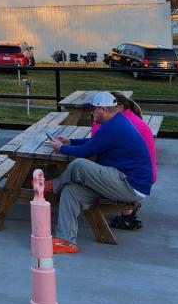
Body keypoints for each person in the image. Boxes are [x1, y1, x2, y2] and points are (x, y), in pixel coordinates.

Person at [49, 91, 153, 254]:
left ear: (103, 110)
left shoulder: (115, 126)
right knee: (71, 192)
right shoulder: (115, 122)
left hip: (129, 185)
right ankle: (66, 241)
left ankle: (52, 186)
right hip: (118, 178)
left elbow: (85, 152)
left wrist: (60, 148)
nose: (91, 113)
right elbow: (95, 142)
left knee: (79, 164)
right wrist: (70, 141)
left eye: (93, 109)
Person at [101, 91, 157, 230]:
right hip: (144, 172)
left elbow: (97, 141)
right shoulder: (129, 118)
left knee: (86, 170)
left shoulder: (123, 123)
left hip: (136, 177)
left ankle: (127, 211)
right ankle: (128, 215)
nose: (101, 111)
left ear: (119, 106)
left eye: (104, 107)